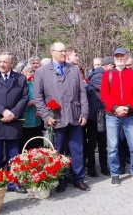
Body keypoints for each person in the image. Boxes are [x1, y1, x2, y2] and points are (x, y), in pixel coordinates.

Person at [33, 42, 90, 192]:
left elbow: (82, 93)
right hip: (55, 119)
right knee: (58, 151)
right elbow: (38, 97)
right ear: (52, 52)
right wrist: (46, 115)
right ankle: (61, 179)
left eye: (65, 51)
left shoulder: (74, 69)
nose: (64, 54)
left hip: (74, 117)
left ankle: (78, 179)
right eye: (61, 51)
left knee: (77, 150)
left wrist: (84, 113)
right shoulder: (42, 72)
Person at [100, 48, 133, 187]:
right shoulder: (108, 74)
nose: (119, 58)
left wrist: (128, 107)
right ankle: (115, 174)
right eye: (117, 56)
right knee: (113, 147)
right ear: (114, 58)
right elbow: (104, 94)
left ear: (126, 58)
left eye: (122, 56)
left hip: (129, 115)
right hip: (112, 115)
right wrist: (115, 108)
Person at [85, 57, 115, 177]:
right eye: (112, 67)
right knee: (92, 143)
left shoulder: (104, 75)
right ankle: (91, 168)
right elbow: (107, 91)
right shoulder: (98, 76)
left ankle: (104, 167)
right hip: (94, 115)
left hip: (102, 113)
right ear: (107, 66)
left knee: (103, 143)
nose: (114, 69)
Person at [21, 65, 43, 150]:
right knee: (26, 147)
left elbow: (42, 98)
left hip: (37, 121)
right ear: (23, 73)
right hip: (25, 122)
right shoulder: (20, 85)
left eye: (33, 72)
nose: (32, 74)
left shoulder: (35, 84)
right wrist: (29, 103)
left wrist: (40, 110)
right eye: (30, 72)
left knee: (37, 146)